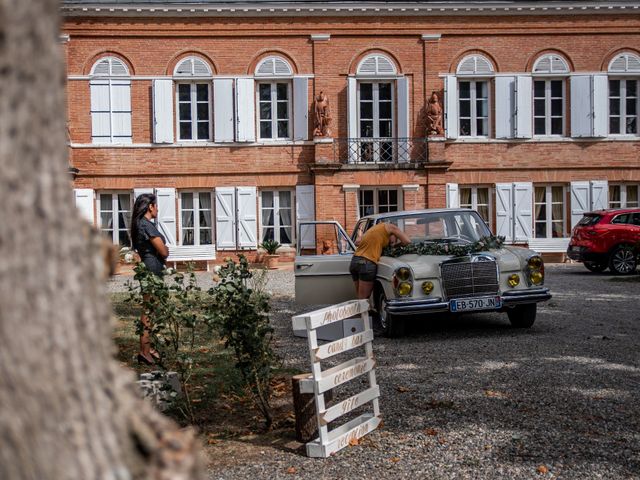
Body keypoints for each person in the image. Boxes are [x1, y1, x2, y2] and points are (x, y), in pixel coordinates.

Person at [130, 193, 169, 365]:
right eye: (156, 205)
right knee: (148, 312)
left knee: (150, 311)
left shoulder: (139, 224)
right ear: (150, 207)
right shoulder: (146, 225)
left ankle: (148, 348)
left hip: (149, 267)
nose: (157, 208)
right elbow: (163, 251)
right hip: (153, 268)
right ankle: (144, 351)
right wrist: (165, 248)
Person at [349, 222, 411, 299]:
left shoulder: (375, 229)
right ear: (393, 233)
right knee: (363, 298)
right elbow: (407, 241)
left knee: (359, 296)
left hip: (355, 261)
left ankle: (361, 310)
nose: (391, 242)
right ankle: (363, 311)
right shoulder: (392, 228)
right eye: (395, 238)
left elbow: (357, 242)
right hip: (367, 263)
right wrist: (396, 245)